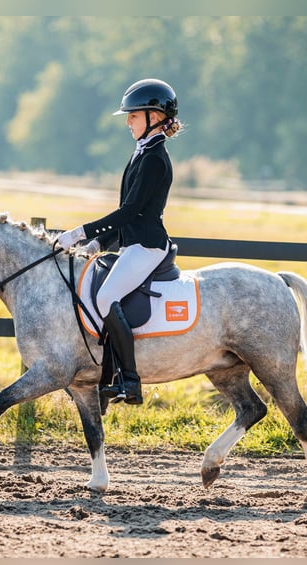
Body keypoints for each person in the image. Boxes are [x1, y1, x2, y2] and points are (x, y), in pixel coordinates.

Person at [57, 78, 183, 405]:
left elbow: (129, 212)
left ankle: (131, 381)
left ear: (154, 116)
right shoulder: (142, 153)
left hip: (148, 247)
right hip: (132, 244)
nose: (127, 122)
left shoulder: (155, 158)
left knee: (106, 296)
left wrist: (81, 233)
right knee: (102, 297)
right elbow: (130, 214)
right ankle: (111, 378)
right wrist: (99, 245)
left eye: (133, 116)